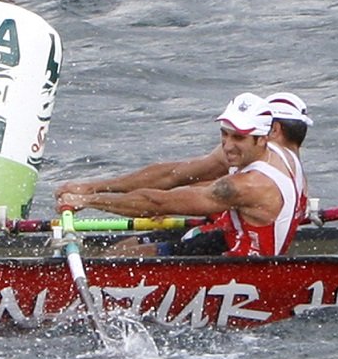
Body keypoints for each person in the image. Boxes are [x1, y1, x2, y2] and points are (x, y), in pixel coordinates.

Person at [59, 92, 304, 256]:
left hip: (239, 260)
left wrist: (88, 202)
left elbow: (156, 202)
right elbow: (172, 175)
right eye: (224, 134)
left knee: (123, 255)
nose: (228, 145)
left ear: (264, 137)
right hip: (226, 233)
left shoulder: (249, 185)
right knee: (124, 247)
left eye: (238, 137)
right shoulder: (280, 150)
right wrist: (93, 187)